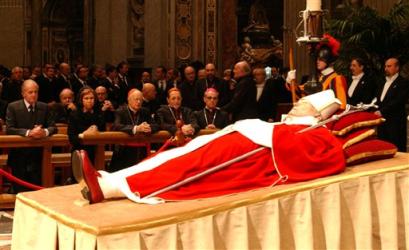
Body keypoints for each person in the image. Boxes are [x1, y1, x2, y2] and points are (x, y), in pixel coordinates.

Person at [73, 90, 345, 204]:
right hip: (234, 138)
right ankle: (107, 177)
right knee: (176, 155)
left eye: (304, 104)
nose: (297, 103)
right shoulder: (295, 124)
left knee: (187, 168)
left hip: (243, 153)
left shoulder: (314, 131)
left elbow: (320, 158)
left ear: (317, 114)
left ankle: (108, 189)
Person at [6, 79, 57, 192]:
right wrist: (29, 133)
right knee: (20, 190)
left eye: (36, 92)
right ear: (23, 93)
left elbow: (53, 127)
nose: (34, 95)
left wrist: (44, 132)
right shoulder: (13, 107)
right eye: (30, 92)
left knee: (36, 190)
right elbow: (9, 129)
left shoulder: (44, 107)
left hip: (38, 155)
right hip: (19, 155)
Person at [109, 89, 159, 172]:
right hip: (124, 151)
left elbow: (156, 125)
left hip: (141, 151)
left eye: (141, 100)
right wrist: (136, 128)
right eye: (136, 99)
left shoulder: (145, 111)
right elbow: (116, 126)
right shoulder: (120, 111)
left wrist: (149, 128)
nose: (139, 102)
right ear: (129, 99)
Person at [375, 57, 409, 152]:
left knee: (396, 148)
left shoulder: (403, 82)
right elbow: (379, 100)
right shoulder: (383, 82)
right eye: (385, 66)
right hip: (382, 122)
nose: (386, 69)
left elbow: (398, 101)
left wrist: (382, 111)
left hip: (395, 122)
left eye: (389, 66)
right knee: (383, 147)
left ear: (397, 68)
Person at [68, 87, 106, 163]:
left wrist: (96, 130)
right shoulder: (74, 114)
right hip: (79, 150)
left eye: (92, 98)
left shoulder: (99, 114)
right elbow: (71, 137)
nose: (89, 101)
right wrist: (84, 135)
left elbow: (103, 132)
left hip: (96, 150)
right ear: (81, 100)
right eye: (86, 98)